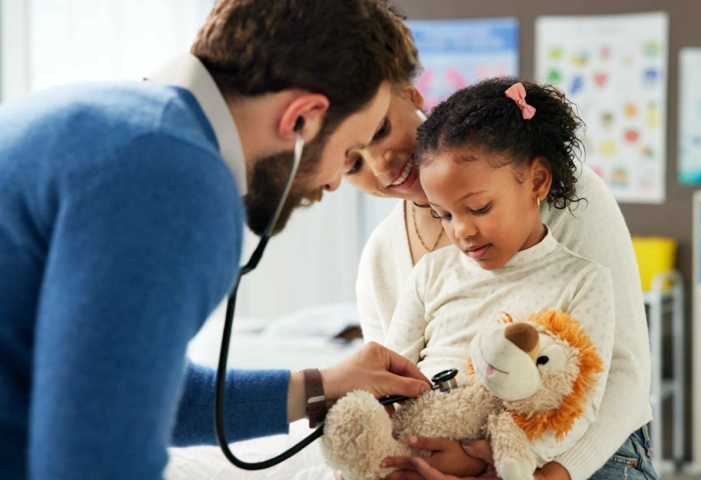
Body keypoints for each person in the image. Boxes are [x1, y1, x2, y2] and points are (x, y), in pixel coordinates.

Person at [0, 1, 433, 479]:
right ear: (302, 119)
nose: (332, 184)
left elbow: (144, 392)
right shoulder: (177, 176)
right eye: (349, 155)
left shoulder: (121, 123)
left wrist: (323, 384)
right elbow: (95, 458)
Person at [348, 71, 654, 480]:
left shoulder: (568, 201)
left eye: (379, 129)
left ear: (408, 94)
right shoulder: (387, 257)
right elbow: (392, 388)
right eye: (351, 160)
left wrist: (539, 471)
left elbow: (621, 373)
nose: (380, 162)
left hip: (573, 450)